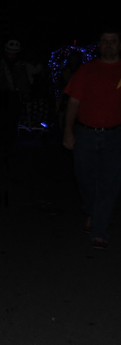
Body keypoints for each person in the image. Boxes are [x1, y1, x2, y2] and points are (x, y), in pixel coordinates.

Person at [62, 28, 121, 250]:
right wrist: (68, 131)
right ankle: (91, 210)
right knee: (85, 179)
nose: (108, 45)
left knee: (109, 185)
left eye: (113, 41)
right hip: (86, 133)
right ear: (99, 45)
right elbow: (73, 103)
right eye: (105, 41)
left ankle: (99, 232)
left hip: (115, 136)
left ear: (119, 45)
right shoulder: (87, 70)